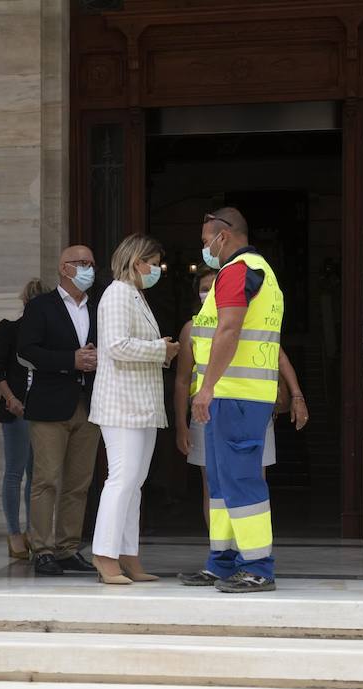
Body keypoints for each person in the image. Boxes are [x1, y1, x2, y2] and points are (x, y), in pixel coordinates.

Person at [179, 208, 285, 593]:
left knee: (240, 480)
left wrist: (206, 388)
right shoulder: (255, 272)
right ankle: (221, 562)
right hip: (234, 395)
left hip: (236, 395)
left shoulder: (239, 271)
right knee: (222, 483)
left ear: (223, 236)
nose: (204, 248)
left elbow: (229, 329)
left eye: (206, 241)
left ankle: (257, 566)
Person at [175, 270, 307, 530]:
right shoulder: (192, 328)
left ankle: (249, 547)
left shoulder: (250, 320)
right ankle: (221, 548)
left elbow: (280, 358)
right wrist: (181, 425)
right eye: (204, 288)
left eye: (214, 287)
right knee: (213, 487)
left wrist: (297, 395)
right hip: (206, 412)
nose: (209, 293)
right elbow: (181, 381)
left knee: (253, 482)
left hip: (251, 410)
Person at [89, 234, 180, 584]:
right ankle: (104, 554)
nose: (156, 270)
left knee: (135, 483)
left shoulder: (135, 295)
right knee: (122, 479)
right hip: (121, 404)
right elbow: (116, 346)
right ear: (137, 261)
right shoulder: (117, 294)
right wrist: (160, 350)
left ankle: (128, 554)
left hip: (141, 404)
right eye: (153, 263)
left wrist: (161, 351)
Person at [18, 245, 101, 577]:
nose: (88, 269)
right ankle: (42, 549)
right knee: (46, 480)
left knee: (79, 483)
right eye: (82, 263)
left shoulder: (97, 306)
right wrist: (71, 360)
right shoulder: (41, 306)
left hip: (89, 403)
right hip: (50, 405)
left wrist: (95, 357)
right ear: (64, 268)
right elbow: (26, 350)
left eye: (91, 264)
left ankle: (68, 548)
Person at [0, 279, 46, 560]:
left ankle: (33, 532)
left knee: (37, 475)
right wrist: (10, 398)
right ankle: (14, 533)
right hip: (16, 409)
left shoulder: (47, 334)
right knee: (15, 472)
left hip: (43, 410)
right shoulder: (9, 328)